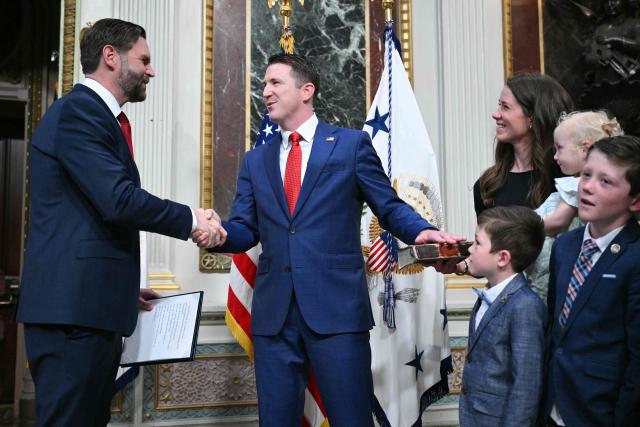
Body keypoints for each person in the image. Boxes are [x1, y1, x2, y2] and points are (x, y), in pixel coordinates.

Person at [205, 53, 462, 426]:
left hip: (337, 312)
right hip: (274, 316)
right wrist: (218, 235)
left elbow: (388, 207)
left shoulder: (350, 145)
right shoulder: (255, 160)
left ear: (306, 90)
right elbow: (246, 229)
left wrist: (420, 230)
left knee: (350, 419)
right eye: (264, 84)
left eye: (275, 83)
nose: (266, 92)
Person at [17, 18, 224, 427]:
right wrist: (191, 219)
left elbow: (88, 220)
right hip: (71, 318)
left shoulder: (98, 117)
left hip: (88, 311)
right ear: (111, 56)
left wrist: (123, 288)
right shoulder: (79, 112)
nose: (150, 70)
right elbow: (118, 201)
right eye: (144, 59)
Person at [542, 135, 640, 426]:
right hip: (554, 407)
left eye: (605, 181)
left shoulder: (635, 258)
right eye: (587, 174)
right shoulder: (565, 246)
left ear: (635, 200)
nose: (587, 187)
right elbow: (554, 328)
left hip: (601, 412)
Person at [458, 206, 546, 427]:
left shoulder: (525, 306)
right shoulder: (488, 296)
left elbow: (525, 385)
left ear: (502, 258)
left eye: (478, 243)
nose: (470, 249)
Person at [526, 111, 624, 300]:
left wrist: (524, 227)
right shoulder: (574, 184)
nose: (555, 156)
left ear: (585, 149)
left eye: (559, 149)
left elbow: (557, 221)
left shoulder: (575, 187)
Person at [473, 73, 574, 217]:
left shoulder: (565, 179)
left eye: (505, 107)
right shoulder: (488, 185)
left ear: (532, 117)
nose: (496, 114)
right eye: (499, 105)